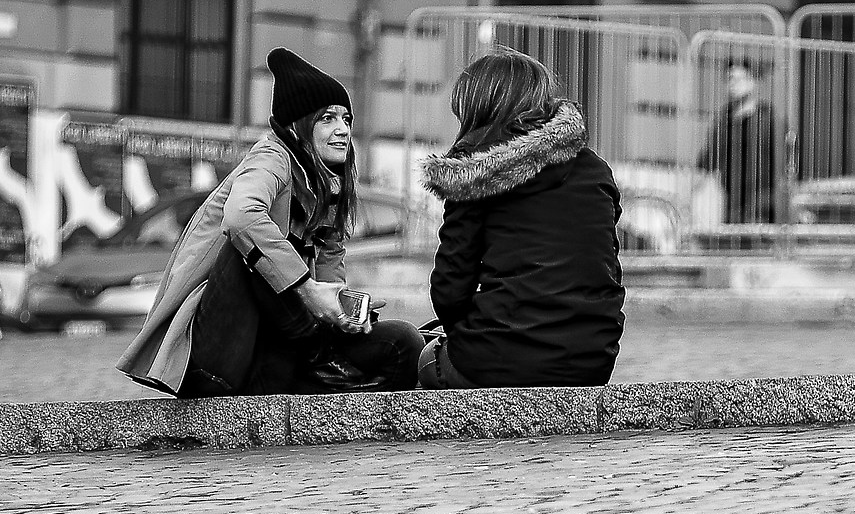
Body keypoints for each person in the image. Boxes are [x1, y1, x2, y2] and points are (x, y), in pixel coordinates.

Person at [118, 48, 422, 398]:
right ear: (298, 125)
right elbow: (241, 218)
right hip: (218, 353)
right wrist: (308, 291)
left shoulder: (331, 184)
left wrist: (341, 310)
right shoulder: (271, 158)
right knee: (252, 249)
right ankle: (317, 357)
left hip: (280, 350)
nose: (342, 130)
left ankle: (326, 379)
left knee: (405, 342)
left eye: (346, 119)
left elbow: (329, 271)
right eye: (327, 119)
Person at [418, 50, 624, 389]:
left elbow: (450, 289)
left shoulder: (474, 172)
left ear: (477, 108)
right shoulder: (593, 167)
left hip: (499, 360)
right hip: (592, 361)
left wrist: (467, 335)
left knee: (424, 356)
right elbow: (599, 262)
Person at [697, 59, 778, 226]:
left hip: (762, 202)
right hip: (732, 201)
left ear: (753, 82)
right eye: (729, 79)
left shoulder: (768, 119)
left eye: (738, 79)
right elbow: (709, 158)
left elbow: (782, 162)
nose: (732, 84)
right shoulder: (724, 119)